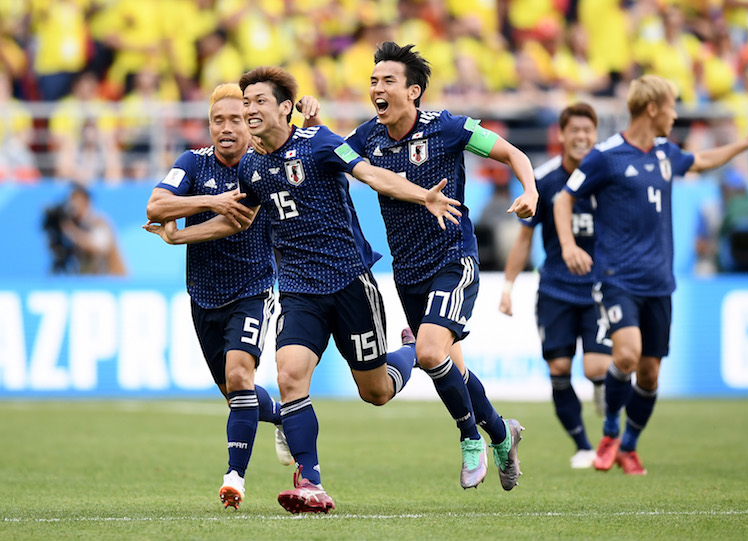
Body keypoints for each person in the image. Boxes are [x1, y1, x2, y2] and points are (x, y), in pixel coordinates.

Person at [153, 66, 461, 514]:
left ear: (284, 107)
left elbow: (371, 174)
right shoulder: (254, 165)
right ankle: (312, 481)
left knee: (375, 391)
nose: (249, 110)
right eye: (246, 102)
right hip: (298, 290)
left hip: (349, 282)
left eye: (258, 102)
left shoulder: (319, 143)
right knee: (289, 375)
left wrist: (422, 195)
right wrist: (179, 236)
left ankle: (411, 351)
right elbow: (239, 218)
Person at [553, 74, 748, 475]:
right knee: (627, 354)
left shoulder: (667, 153)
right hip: (616, 277)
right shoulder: (607, 156)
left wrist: (747, 143)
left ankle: (629, 447)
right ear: (652, 108)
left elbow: (702, 161)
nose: (675, 114)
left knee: (650, 375)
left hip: (659, 282)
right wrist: (568, 246)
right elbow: (564, 199)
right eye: (671, 106)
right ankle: (610, 431)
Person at [345, 42, 538, 490]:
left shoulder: (448, 127)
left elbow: (514, 154)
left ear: (413, 92)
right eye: (373, 81)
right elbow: (327, 156)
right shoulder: (366, 138)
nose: (377, 88)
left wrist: (529, 191)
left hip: (453, 259)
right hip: (408, 273)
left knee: (430, 352)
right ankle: (501, 432)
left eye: (387, 80)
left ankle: (470, 439)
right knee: (451, 368)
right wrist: (311, 124)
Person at [144, 83, 322, 510]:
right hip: (203, 296)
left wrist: (178, 234)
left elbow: (238, 220)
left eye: (236, 119)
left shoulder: (260, 166)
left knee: (241, 378)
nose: (226, 128)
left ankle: (234, 478)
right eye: (217, 120)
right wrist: (207, 201)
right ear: (209, 125)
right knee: (234, 392)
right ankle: (283, 414)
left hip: (253, 290)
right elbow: (155, 206)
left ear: (250, 122)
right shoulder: (193, 163)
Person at [499, 103, 612, 469]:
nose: (581, 137)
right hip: (556, 290)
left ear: (595, 136)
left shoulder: (607, 178)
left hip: (599, 289)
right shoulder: (545, 182)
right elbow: (523, 240)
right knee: (559, 369)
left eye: (587, 131)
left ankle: (601, 389)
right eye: (574, 130)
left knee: (596, 367)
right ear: (561, 135)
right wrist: (508, 285)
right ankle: (582, 445)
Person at [43, 183, 126, 275]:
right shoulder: (76, 225)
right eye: (71, 200)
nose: (72, 205)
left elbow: (98, 246)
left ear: (86, 201)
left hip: (111, 281)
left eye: (76, 200)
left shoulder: (99, 222)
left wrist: (70, 230)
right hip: (89, 280)